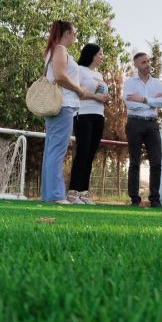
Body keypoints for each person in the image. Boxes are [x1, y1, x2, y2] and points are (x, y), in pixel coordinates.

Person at [40, 20, 86, 204]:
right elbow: (60, 76)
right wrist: (79, 89)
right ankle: (56, 195)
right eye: (74, 33)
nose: (75, 37)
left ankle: (49, 194)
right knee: (57, 151)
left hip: (56, 106)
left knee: (51, 150)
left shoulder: (53, 50)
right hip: (63, 105)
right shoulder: (60, 50)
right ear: (66, 33)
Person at [123, 53, 162, 207]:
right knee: (134, 162)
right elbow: (130, 104)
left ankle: (155, 199)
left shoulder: (157, 83)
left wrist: (143, 99)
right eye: (143, 62)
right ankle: (135, 200)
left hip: (152, 125)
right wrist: (153, 102)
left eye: (148, 61)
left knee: (156, 162)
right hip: (134, 123)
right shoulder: (129, 82)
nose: (147, 64)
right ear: (136, 65)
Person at [67, 43, 111, 205]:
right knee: (82, 153)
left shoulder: (99, 74)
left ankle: (84, 193)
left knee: (91, 155)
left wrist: (106, 99)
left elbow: (102, 95)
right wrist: (95, 96)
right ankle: (73, 192)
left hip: (98, 115)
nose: (102, 56)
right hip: (83, 114)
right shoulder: (79, 70)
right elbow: (75, 92)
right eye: (100, 54)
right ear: (91, 55)